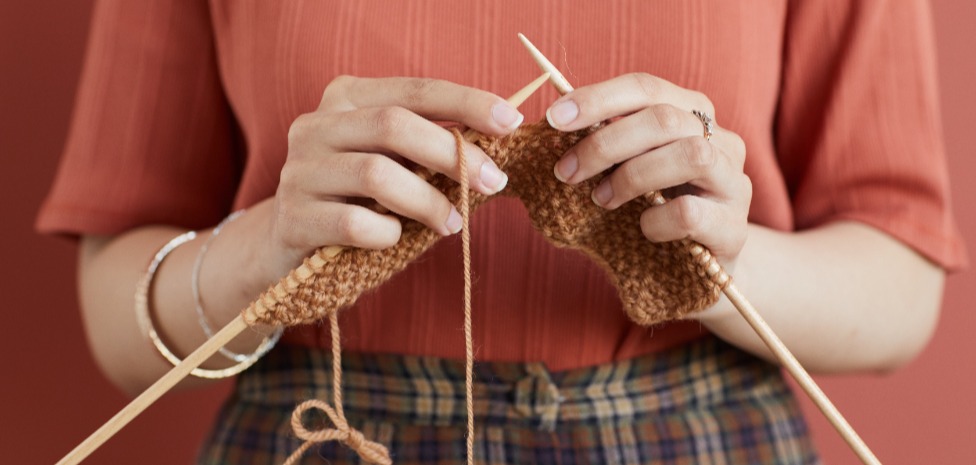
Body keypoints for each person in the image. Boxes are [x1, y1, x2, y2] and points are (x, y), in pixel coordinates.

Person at [39, 1, 965, 464]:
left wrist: (722, 260)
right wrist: (267, 250)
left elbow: (901, 289)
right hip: (324, 437)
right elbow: (118, 324)